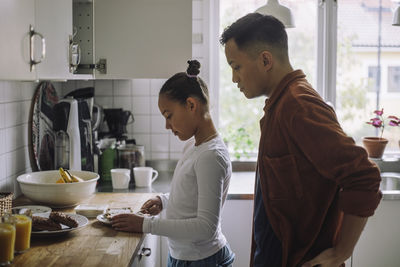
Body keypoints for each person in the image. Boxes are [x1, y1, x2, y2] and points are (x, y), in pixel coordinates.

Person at [220, 13, 382, 267]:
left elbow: (363, 176)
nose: (234, 78)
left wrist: (342, 252)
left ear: (265, 60)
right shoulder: (281, 104)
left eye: (236, 66)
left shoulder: (298, 105)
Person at [111, 60, 235, 267]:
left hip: (203, 261)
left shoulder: (211, 156)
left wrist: (145, 224)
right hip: (185, 256)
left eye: (169, 116)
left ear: (191, 105)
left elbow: (206, 228)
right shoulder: (195, 146)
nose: (167, 125)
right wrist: (164, 200)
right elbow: (190, 196)